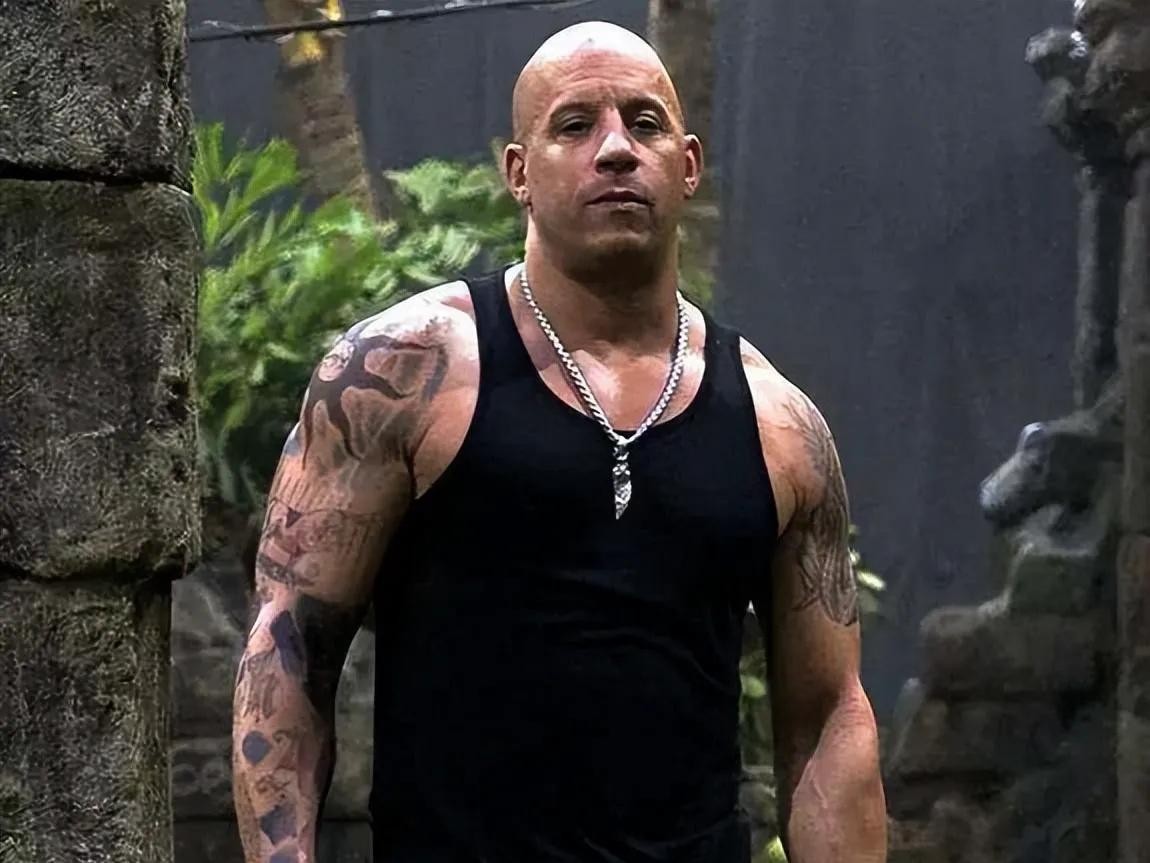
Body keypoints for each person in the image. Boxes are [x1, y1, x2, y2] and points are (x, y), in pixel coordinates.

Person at [231, 20, 887, 863]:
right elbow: (289, 652)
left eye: (644, 123)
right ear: (519, 172)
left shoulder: (779, 424)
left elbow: (828, 715)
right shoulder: (403, 373)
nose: (615, 149)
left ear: (687, 165)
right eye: (575, 126)